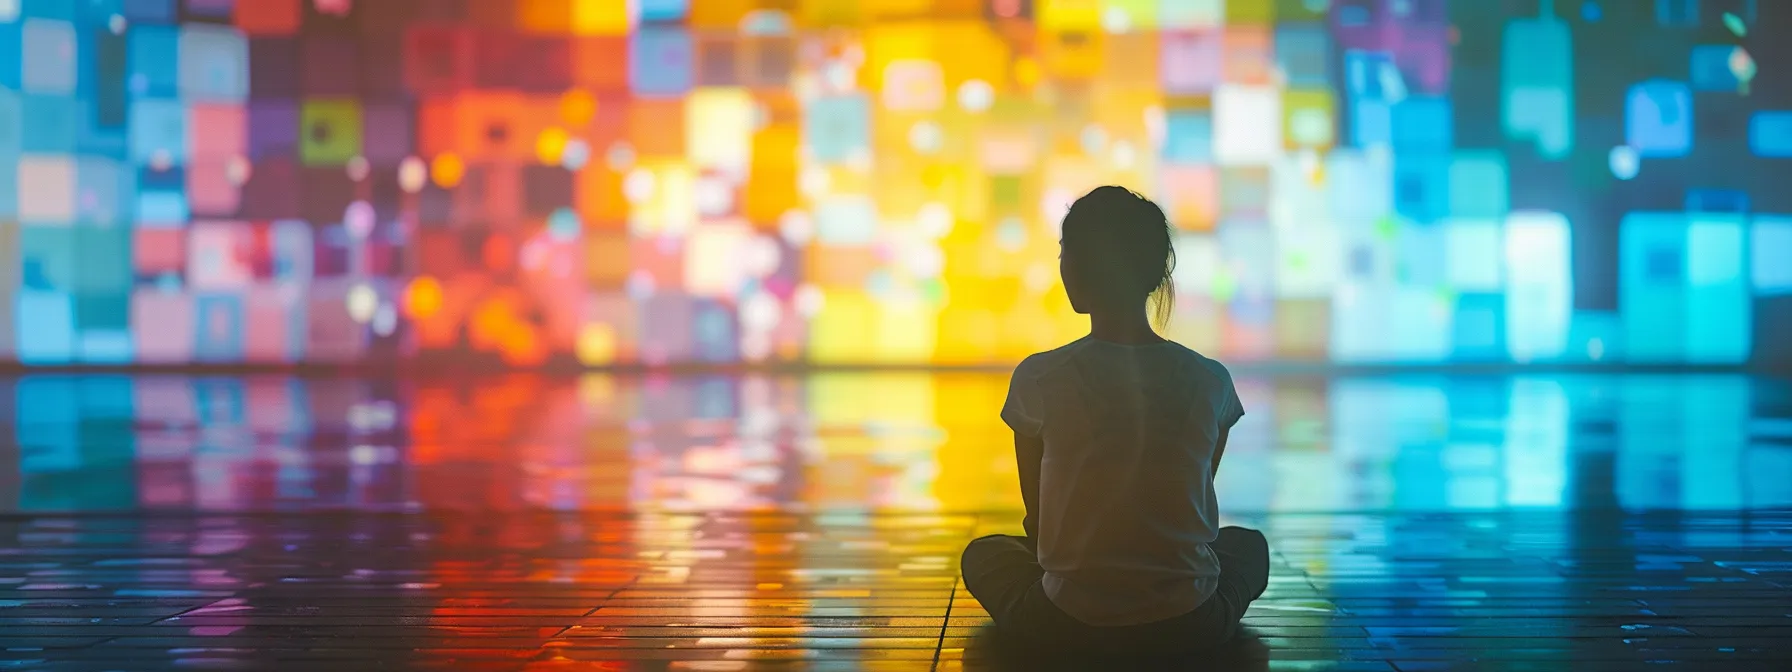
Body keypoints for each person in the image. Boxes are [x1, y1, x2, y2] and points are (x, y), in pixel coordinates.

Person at [959, 186, 1269, 657]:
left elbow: (1039, 525)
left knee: (984, 553)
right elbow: (1188, 505)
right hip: (1190, 622)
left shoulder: (1040, 377)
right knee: (1247, 547)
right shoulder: (1210, 381)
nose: (1063, 264)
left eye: (1067, 250)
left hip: (1065, 621)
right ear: (1151, 273)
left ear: (1081, 265)